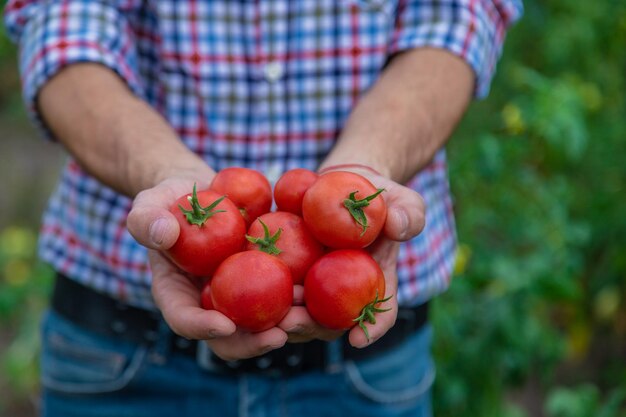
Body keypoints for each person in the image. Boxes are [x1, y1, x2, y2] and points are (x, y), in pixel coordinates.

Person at [4, 1, 522, 416]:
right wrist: (165, 177)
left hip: (367, 367)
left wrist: (366, 167)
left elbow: (456, 17)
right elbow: (62, 25)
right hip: (118, 353)